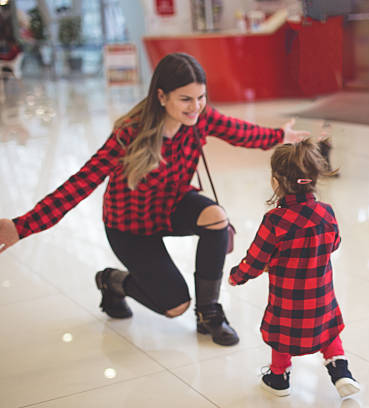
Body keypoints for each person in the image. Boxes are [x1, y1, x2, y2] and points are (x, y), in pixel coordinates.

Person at [0, 52, 309, 346]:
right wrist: (22, 226)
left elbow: (241, 132)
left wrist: (278, 136)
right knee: (174, 305)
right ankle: (112, 281)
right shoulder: (130, 134)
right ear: (162, 97)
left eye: (201, 97)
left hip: (172, 205)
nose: (196, 107)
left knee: (216, 216)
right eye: (186, 99)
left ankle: (209, 313)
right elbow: (81, 182)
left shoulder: (201, 118)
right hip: (129, 226)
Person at [228, 138, 360, 397]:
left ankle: (279, 378)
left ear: (276, 181)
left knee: (281, 335)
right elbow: (334, 244)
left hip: (287, 301)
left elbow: (255, 260)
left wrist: (237, 276)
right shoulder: (327, 212)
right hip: (321, 297)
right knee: (328, 329)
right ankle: (340, 369)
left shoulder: (275, 221)